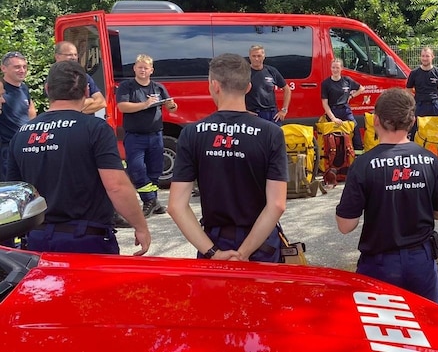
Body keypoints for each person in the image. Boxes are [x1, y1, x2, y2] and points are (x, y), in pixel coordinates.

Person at [7, 61, 150, 254]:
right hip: (87, 240)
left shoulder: (21, 134)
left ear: (47, 89)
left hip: (37, 241)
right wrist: (140, 226)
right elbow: (116, 186)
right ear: (86, 91)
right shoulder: (96, 129)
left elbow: (16, 194)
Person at [168, 53, 287, 262]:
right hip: (261, 244)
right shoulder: (271, 133)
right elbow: (277, 205)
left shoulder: (192, 133)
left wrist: (213, 252)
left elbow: (176, 206)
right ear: (248, 87)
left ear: (214, 85)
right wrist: (245, 253)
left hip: (215, 242)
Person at [335, 88, 438, 303]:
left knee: (380, 328)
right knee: (429, 324)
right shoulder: (431, 160)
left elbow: (345, 225)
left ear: (376, 120)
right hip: (421, 260)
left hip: (380, 263)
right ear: (413, 121)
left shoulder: (363, 164)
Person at [116, 54, 177, 220]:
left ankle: (153, 203)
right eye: (140, 67)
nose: (143, 70)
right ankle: (150, 199)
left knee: (155, 171)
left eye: (146, 68)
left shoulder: (158, 87)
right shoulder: (127, 86)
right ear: (134, 68)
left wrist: (172, 106)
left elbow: (171, 106)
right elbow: (122, 107)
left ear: (151, 70)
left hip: (156, 134)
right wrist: (145, 104)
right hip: (135, 136)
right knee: (136, 169)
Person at [0, 51, 36, 180]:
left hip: (26, 146)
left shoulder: (24, 88)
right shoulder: (1, 89)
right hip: (7, 150)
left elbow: (31, 110)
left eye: (24, 67)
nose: (22, 70)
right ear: (3, 68)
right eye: (17, 67)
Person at [321, 58, 364, 150]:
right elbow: (325, 103)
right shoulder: (326, 83)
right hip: (333, 111)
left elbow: (361, 88)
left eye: (337, 67)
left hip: (345, 109)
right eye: (333, 67)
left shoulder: (347, 80)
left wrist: (351, 96)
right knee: (334, 133)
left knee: (354, 127)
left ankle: (358, 152)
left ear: (341, 68)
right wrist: (333, 118)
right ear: (330, 68)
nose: (335, 70)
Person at [54, 41, 107, 115]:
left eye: (75, 55)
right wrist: (90, 101)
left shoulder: (85, 77)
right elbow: (64, 106)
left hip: (86, 124)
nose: (74, 58)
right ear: (57, 57)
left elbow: (102, 102)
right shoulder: (53, 78)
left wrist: (78, 113)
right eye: (69, 55)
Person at [406, 47, 438, 137]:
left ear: (432, 57)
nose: (425, 58)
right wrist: (416, 99)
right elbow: (408, 90)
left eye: (427, 56)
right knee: (416, 131)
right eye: (423, 56)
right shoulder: (414, 73)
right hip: (419, 105)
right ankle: (416, 150)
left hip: (434, 105)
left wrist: (435, 98)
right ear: (420, 57)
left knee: (437, 130)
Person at [245, 45, 291, 125]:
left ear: (263, 57)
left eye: (259, 56)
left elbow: (287, 89)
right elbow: (234, 94)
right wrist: (244, 111)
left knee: (276, 136)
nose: (256, 59)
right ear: (249, 57)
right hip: (254, 114)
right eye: (254, 56)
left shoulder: (271, 71)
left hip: (272, 114)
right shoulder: (244, 73)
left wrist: (284, 110)